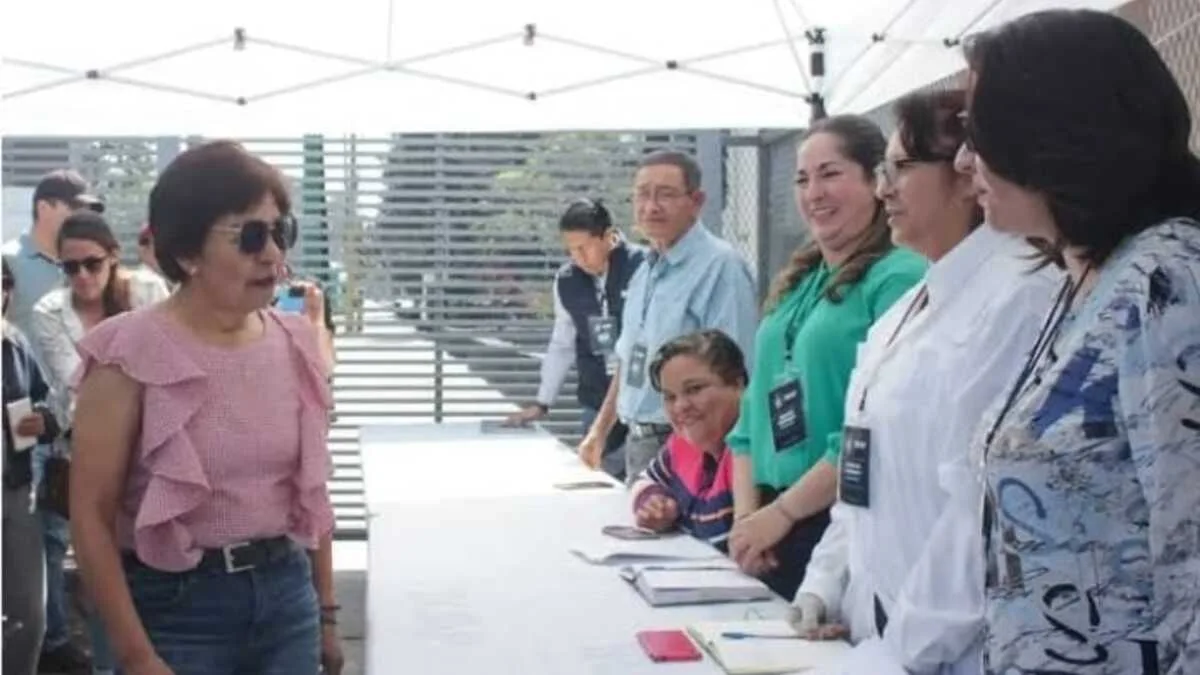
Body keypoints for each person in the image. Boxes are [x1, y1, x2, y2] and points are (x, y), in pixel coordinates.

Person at [790, 90, 1061, 675]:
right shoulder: (906, 310)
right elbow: (861, 472)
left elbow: (981, 509)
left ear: (967, 174)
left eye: (901, 168)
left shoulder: (1020, 295)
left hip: (950, 647)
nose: (884, 187)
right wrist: (824, 582)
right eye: (882, 170)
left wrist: (905, 650)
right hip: (878, 629)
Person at [963, 10, 1200, 674]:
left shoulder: (1168, 282)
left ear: (1050, 136)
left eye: (978, 135)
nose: (963, 161)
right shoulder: (1091, 278)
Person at [68, 140, 343, 675]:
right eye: (250, 236)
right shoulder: (126, 353)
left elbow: (312, 492)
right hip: (176, 613)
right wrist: (138, 656)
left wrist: (327, 614)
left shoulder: (295, 341)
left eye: (280, 231)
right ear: (188, 252)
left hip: (287, 600)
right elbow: (91, 518)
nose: (272, 254)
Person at [725, 115, 926, 601]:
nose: (813, 192)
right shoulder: (799, 279)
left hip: (838, 525)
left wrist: (784, 514)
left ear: (875, 180)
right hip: (768, 529)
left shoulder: (899, 276)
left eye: (830, 173)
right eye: (802, 178)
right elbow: (749, 423)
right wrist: (747, 520)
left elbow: (876, 429)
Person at [579, 151, 759, 483]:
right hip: (637, 441)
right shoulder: (645, 271)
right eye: (642, 194)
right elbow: (629, 359)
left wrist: (715, 468)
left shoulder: (720, 268)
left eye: (665, 194)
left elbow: (737, 379)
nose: (651, 206)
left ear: (697, 201)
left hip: (688, 446)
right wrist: (599, 431)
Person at [506, 199, 645, 479]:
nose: (578, 257)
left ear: (608, 236)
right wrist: (542, 402)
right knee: (596, 480)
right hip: (596, 400)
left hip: (643, 406)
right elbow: (562, 344)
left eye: (584, 247)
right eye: (571, 250)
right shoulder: (568, 280)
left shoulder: (642, 267)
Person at [631, 329, 746, 550]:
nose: (680, 406)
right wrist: (654, 503)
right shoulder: (682, 444)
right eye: (669, 397)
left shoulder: (755, 450)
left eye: (694, 389)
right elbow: (645, 480)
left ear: (738, 385)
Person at [2, 259, 63, 675]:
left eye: (4, 283)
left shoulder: (13, 343)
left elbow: (47, 402)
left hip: (14, 493)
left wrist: (44, 420)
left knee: (27, 617)